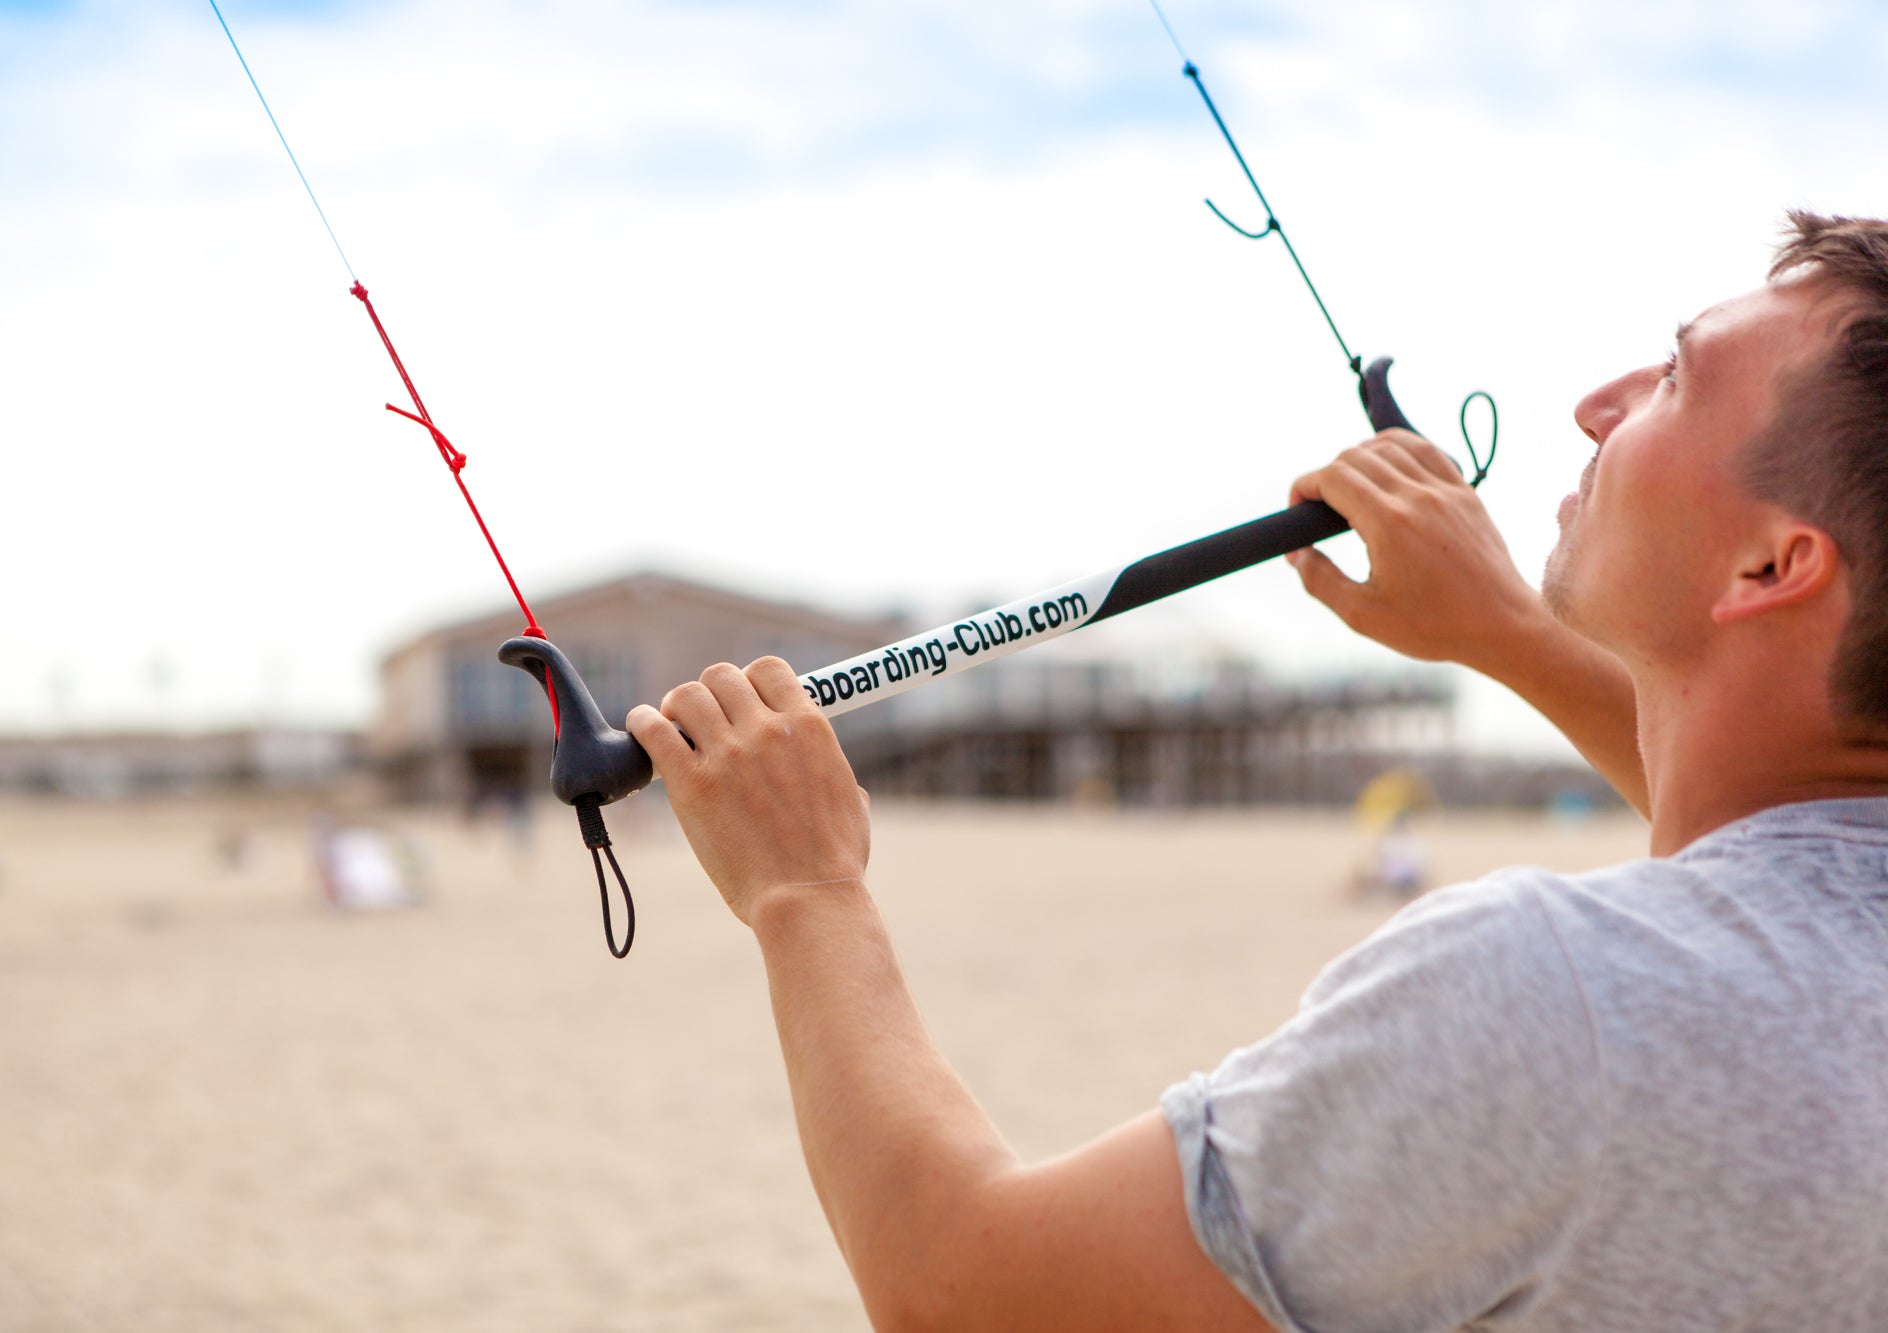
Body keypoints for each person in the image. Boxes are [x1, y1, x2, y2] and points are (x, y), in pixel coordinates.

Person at [625, 211, 1888, 1331]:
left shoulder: (1563, 993)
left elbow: (968, 1295)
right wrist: (1504, 631)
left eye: (1674, 378)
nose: (1597, 401)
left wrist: (806, 892)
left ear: (1771, 569)